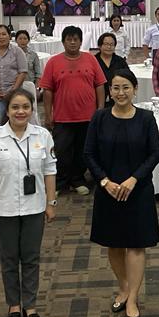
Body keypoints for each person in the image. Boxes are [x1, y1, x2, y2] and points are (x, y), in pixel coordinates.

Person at [85, 70, 159, 317]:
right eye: (116, 88)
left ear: (135, 89)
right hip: (108, 190)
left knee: (136, 245)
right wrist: (104, 181)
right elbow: (89, 154)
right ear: (109, 91)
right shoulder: (99, 118)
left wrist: (134, 179)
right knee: (114, 244)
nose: (120, 93)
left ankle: (133, 299)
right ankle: (124, 287)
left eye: (126, 87)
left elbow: (154, 154)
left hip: (138, 190)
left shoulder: (146, 118)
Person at [0, 88, 57, 317]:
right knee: (9, 259)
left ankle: (30, 305)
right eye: (15, 107)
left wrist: (51, 202)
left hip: (35, 207)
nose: (20, 112)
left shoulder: (43, 135)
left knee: (31, 258)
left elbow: (50, 171)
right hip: (5, 208)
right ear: (7, 110)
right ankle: (13, 304)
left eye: (25, 107)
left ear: (32, 109)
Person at [39, 25, 106, 196]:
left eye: (76, 39)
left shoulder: (90, 59)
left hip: (87, 116)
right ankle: (60, 182)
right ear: (63, 42)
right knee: (61, 151)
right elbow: (47, 90)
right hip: (63, 116)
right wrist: (48, 114)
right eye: (69, 39)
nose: (73, 42)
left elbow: (99, 84)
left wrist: (100, 109)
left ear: (81, 41)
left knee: (83, 151)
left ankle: (77, 179)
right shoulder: (53, 62)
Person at [0, 24, 28, 126]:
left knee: (16, 119)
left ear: (9, 36)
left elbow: (23, 72)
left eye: (4, 34)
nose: (1, 37)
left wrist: (13, 90)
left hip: (14, 92)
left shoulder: (17, 51)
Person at [94, 32, 129, 106]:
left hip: (118, 99)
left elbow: (128, 78)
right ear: (100, 46)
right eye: (106, 44)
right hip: (97, 99)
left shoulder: (120, 61)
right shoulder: (93, 61)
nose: (109, 47)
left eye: (111, 44)